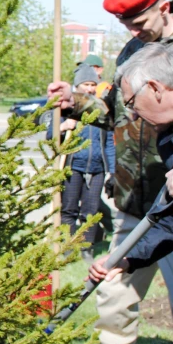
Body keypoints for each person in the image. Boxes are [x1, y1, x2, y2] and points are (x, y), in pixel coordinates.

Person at [47, 0, 173, 344]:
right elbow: (113, 110)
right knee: (114, 295)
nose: (131, 30)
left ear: (163, 7)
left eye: (138, 19)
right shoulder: (133, 50)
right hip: (133, 197)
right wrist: (76, 101)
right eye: (124, 23)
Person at [47, 64, 115, 263]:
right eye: (86, 84)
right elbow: (50, 135)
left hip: (97, 169)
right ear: (78, 86)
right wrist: (63, 126)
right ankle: (68, 249)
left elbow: (109, 143)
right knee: (68, 210)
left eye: (93, 84)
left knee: (91, 212)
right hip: (73, 166)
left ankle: (86, 249)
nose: (91, 88)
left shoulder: (101, 108)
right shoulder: (67, 107)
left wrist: (112, 170)